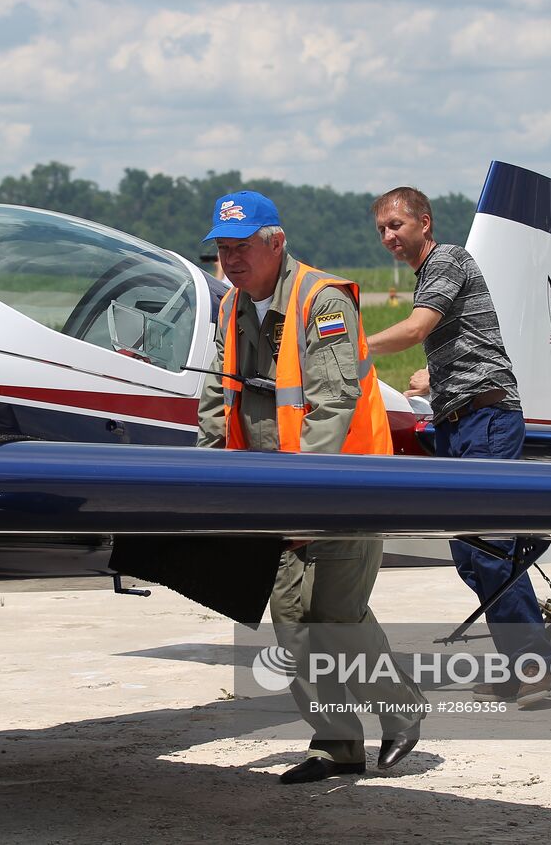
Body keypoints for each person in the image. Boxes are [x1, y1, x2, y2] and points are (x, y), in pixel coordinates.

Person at [196, 190, 426, 783]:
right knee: (294, 623)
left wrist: (306, 493)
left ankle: (401, 711)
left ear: (276, 243)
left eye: (241, 247)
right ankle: (336, 744)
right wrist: (204, 479)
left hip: (343, 484)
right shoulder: (231, 308)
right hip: (270, 493)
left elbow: (332, 404)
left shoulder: (321, 301)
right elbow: (218, 400)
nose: (230, 260)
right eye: (222, 249)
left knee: (336, 617)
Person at [364, 185, 551, 709]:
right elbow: (459, 335)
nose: (388, 236)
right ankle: (521, 665)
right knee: (472, 555)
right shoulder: (432, 273)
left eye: (396, 225)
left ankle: (534, 667)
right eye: (381, 229)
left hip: (487, 420)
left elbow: (418, 326)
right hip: (460, 419)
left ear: (424, 223)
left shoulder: (447, 259)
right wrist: (437, 376)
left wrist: (354, 343)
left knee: (489, 547)